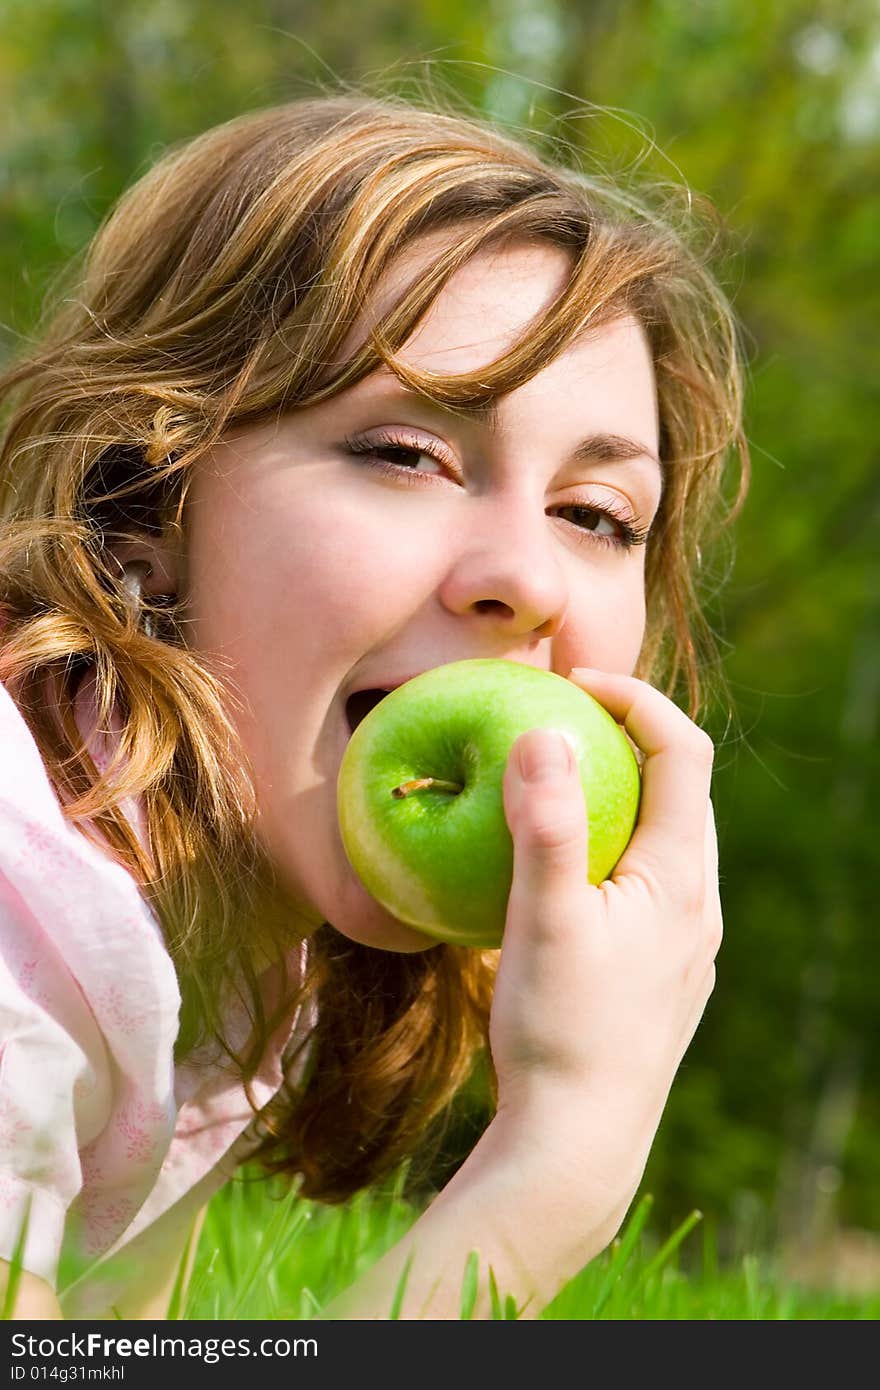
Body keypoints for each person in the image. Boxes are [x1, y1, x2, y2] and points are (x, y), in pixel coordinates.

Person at [0, 88, 747, 1320]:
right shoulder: (29, 927)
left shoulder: (225, 944)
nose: (528, 578)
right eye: (408, 454)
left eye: (596, 517)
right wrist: (555, 1163)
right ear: (148, 502)